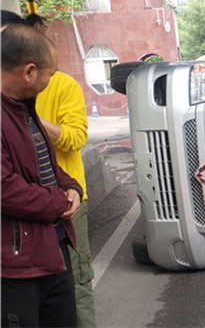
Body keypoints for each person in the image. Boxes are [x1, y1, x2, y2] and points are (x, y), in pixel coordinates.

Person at [1, 24, 83, 327]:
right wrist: (59, 201)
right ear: (29, 72)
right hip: (15, 263)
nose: (51, 80)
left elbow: (42, 162)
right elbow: (5, 188)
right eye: (50, 73)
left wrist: (70, 186)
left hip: (51, 244)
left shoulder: (24, 107)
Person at [36, 65, 96, 327]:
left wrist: (29, 118)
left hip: (67, 201)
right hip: (21, 207)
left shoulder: (62, 85)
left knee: (75, 280)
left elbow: (75, 138)